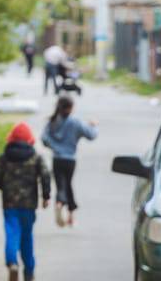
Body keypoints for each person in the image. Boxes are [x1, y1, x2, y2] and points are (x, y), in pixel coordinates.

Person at [0, 122, 51, 281]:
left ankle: (12, 264)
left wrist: (5, 187)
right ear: (29, 139)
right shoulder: (36, 157)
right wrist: (46, 196)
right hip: (29, 205)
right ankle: (29, 272)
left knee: (12, 233)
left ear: (11, 139)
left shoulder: (4, 157)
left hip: (10, 204)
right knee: (27, 236)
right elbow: (45, 175)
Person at [40, 95, 97, 227]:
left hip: (57, 159)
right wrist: (93, 125)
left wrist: (54, 147)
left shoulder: (52, 121)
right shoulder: (75, 122)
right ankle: (71, 216)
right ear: (71, 108)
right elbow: (91, 135)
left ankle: (59, 202)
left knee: (60, 184)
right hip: (70, 160)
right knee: (68, 184)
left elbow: (44, 138)